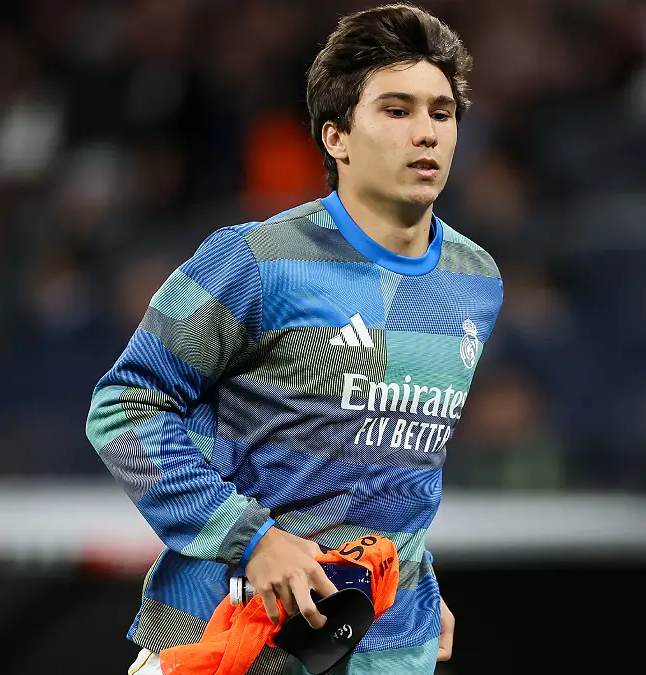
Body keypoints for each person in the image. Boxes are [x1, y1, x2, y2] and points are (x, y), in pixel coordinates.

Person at [86, 4, 503, 674]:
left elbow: (392, 462)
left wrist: (413, 580)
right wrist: (251, 540)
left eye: (442, 112)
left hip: (386, 650)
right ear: (337, 137)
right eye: (396, 110)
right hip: (221, 640)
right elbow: (122, 410)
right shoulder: (254, 261)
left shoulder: (475, 280)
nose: (426, 132)